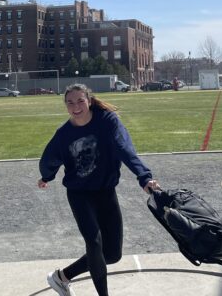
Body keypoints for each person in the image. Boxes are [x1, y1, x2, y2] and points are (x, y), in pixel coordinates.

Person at [38, 83, 160, 296]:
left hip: (105, 191)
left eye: (80, 101)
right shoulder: (64, 133)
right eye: (70, 102)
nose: (76, 106)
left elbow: (125, 149)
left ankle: (61, 277)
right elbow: (49, 157)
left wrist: (144, 178)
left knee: (112, 254)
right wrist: (46, 176)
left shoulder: (107, 122)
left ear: (89, 100)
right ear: (66, 106)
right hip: (79, 194)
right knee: (94, 242)